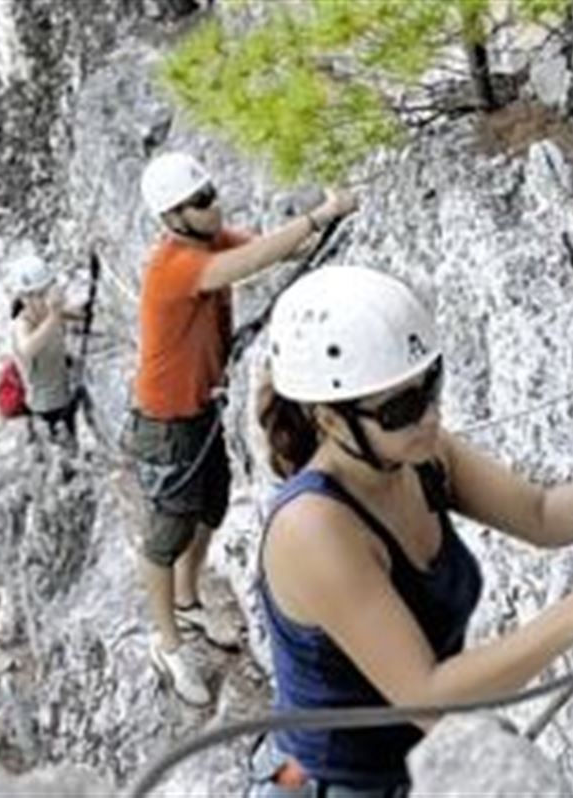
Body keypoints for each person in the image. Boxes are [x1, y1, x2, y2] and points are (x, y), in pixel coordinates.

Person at [252, 266, 573, 795]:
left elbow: (542, 516)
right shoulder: (314, 530)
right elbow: (427, 696)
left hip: (420, 756)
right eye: (400, 407)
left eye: (431, 383)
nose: (431, 415)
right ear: (328, 420)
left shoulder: (421, 456)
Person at [131, 151, 356, 706]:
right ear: (174, 218)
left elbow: (280, 248)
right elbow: (251, 262)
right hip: (166, 422)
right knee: (167, 531)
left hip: (199, 411)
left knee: (211, 506)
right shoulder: (175, 267)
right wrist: (322, 213)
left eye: (211, 191)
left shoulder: (210, 241)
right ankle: (166, 641)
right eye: (202, 200)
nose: (215, 204)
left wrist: (328, 216)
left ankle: (188, 600)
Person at [9, 253, 87, 440]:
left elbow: (77, 313)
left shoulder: (49, 314)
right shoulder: (23, 324)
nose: (45, 300)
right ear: (24, 297)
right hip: (47, 407)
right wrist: (53, 316)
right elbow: (27, 349)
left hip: (64, 394)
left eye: (46, 292)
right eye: (39, 295)